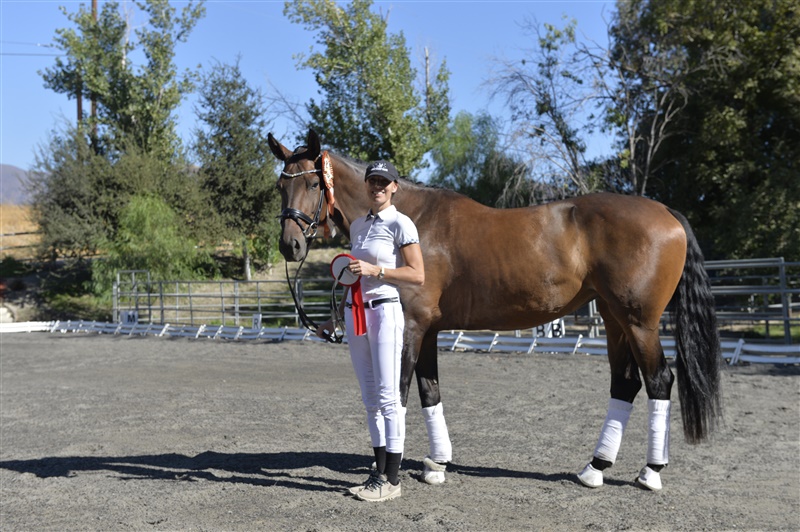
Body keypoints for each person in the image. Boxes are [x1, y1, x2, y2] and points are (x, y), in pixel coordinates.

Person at [316, 160, 425, 502]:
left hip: (384, 312)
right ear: (366, 186)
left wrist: (377, 271)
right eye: (372, 181)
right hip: (355, 315)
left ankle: (392, 480)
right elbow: (352, 278)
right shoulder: (359, 226)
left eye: (383, 181)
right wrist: (335, 317)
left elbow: (417, 275)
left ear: (394, 187)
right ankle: (378, 473)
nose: (377, 186)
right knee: (370, 400)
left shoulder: (401, 223)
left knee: (389, 398)